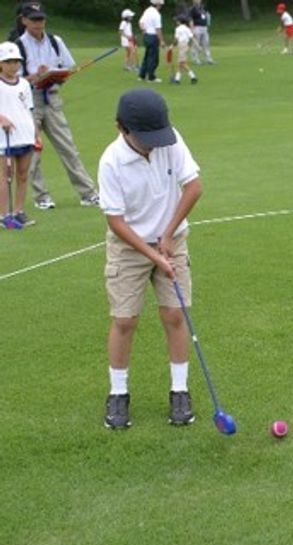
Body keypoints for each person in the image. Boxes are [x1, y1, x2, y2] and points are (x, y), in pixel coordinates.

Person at [98, 88, 204, 430]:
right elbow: (115, 221)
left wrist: (169, 234)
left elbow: (193, 187)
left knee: (175, 314)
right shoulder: (111, 161)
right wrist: (153, 255)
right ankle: (118, 394)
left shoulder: (169, 141)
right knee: (125, 320)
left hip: (171, 240)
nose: (153, 144)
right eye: (145, 138)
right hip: (129, 247)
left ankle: (179, 390)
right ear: (121, 128)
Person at [16, 2, 100, 210]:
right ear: (24, 21)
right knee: (33, 151)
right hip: (29, 101)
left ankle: (88, 193)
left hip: (52, 97)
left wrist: (57, 75)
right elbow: (12, 80)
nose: (39, 24)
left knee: (68, 147)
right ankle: (41, 196)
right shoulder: (17, 46)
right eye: (34, 20)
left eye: (41, 19)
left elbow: (67, 67)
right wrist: (36, 76)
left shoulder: (55, 41)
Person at [0, 42, 36, 228]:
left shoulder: (24, 83)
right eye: (9, 62)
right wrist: (2, 119)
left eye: (16, 62)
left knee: (23, 174)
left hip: (25, 133)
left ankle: (18, 211)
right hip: (4, 136)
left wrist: (36, 133)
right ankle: (4, 214)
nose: (13, 66)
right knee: (6, 176)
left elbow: (29, 109)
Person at [138, 0, 167, 83]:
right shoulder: (156, 14)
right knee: (153, 58)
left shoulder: (147, 11)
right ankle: (151, 77)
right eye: (160, 5)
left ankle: (142, 75)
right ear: (157, 4)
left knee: (147, 56)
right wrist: (161, 41)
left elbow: (140, 22)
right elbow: (158, 29)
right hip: (153, 36)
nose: (161, 6)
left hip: (146, 36)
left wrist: (143, 31)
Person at [172, 15, 198, 85]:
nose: (176, 22)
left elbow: (176, 39)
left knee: (182, 63)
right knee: (181, 63)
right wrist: (197, 45)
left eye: (177, 21)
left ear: (180, 21)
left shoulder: (178, 29)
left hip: (181, 45)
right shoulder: (187, 28)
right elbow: (192, 37)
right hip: (186, 46)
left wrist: (172, 46)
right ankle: (177, 79)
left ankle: (193, 77)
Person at [189, 0, 214, 64]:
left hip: (204, 27)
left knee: (206, 43)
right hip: (197, 27)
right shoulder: (192, 9)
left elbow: (206, 16)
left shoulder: (202, 8)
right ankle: (196, 59)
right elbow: (190, 19)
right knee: (196, 44)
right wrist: (192, 30)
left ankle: (208, 58)